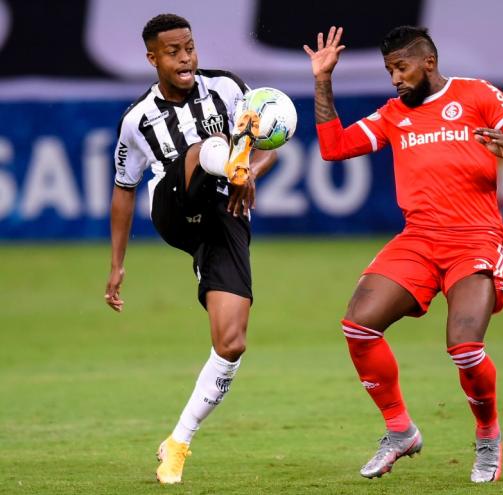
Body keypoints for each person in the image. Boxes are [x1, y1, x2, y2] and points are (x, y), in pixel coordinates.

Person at [304, 26, 503, 483]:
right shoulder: (393, 114)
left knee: (465, 348)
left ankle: (488, 436)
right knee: (358, 325)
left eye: (401, 68)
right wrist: (323, 79)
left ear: (428, 63)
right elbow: (334, 148)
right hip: (418, 239)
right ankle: (400, 430)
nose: (395, 78)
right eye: (389, 71)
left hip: (474, 239)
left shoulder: (477, 95)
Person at [104, 13, 276, 484]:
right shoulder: (137, 119)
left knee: (231, 342)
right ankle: (229, 163)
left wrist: (253, 169)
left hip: (223, 217)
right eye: (173, 51)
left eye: (190, 48)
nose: (186, 58)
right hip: (174, 206)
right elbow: (123, 189)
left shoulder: (227, 88)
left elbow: (270, 143)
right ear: (152, 58)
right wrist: (117, 265)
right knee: (210, 144)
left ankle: (177, 442)